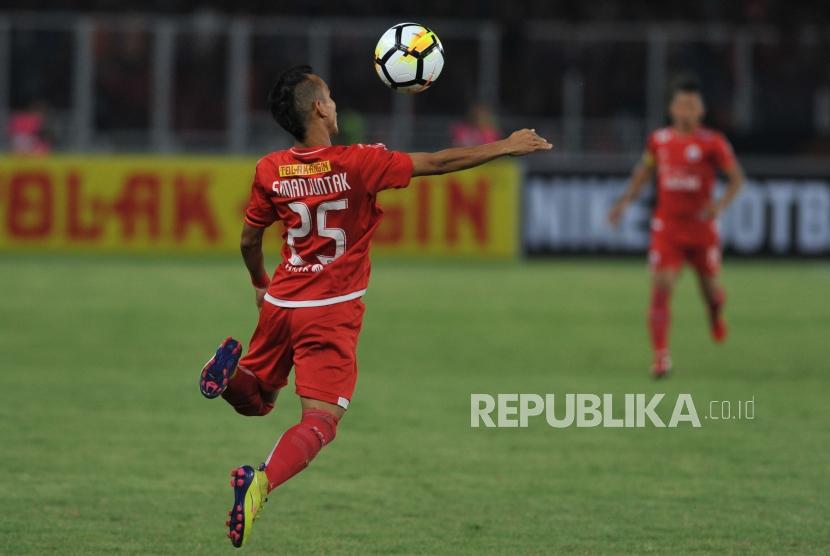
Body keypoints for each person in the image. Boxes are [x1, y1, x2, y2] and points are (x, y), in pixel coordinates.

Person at [197, 65, 552, 548]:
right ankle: (258, 482)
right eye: (332, 98)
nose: (337, 105)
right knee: (320, 421)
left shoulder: (269, 168)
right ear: (319, 107)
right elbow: (439, 163)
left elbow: (247, 239)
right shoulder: (359, 162)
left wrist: (260, 283)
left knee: (256, 399)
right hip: (331, 309)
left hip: (281, 300)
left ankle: (227, 373)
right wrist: (505, 145)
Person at [608, 77, 744, 378]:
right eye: (681, 104)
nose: (686, 110)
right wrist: (623, 202)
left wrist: (719, 206)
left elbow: (737, 179)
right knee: (662, 288)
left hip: (701, 230)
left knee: (709, 292)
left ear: (701, 111)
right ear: (672, 108)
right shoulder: (659, 140)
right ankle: (661, 357)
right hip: (667, 228)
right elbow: (644, 172)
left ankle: (715, 312)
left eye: (692, 105)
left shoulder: (713, 142)